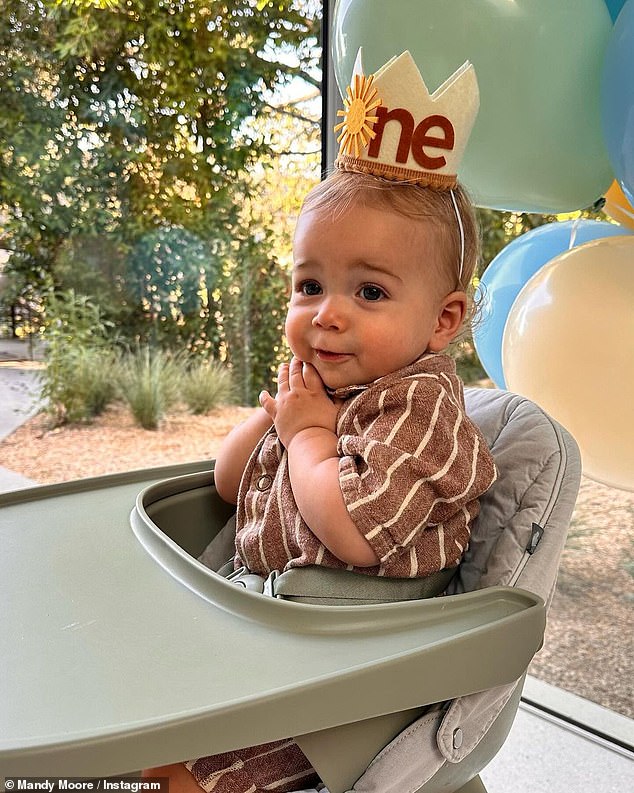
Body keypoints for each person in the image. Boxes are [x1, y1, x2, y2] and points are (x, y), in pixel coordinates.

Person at [144, 50, 496, 793]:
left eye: (369, 290)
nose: (326, 313)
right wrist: (278, 417)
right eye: (310, 285)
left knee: (174, 775)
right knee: (130, 717)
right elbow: (230, 480)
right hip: (271, 638)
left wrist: (308, 435)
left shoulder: (419, 408)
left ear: (443, 319)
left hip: (347, 687)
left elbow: (355, 531)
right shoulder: (326, 386)